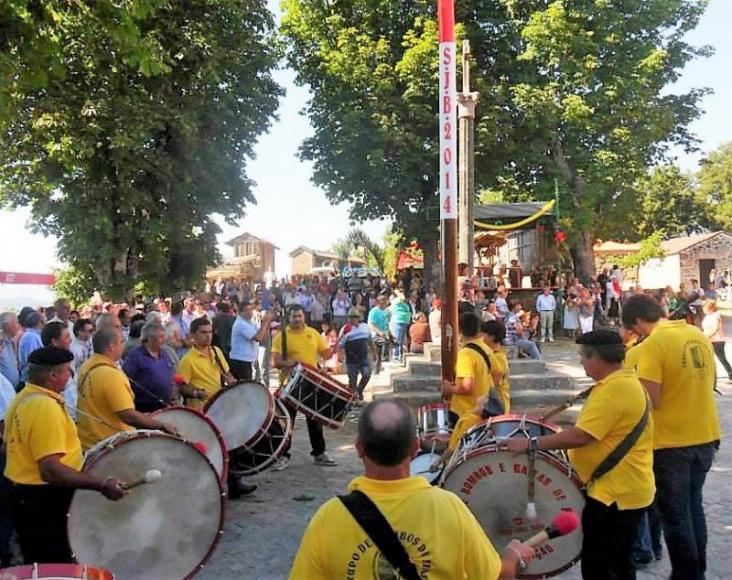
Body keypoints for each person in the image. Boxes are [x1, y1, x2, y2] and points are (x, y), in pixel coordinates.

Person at [289, 400, 534, 579]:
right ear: (416, 447)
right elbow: (495, 576)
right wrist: (513, 558)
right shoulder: (449, 509)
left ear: (358, 448)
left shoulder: (328, 518)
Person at [507, 330, 655, 580]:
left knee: (601, 567)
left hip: (614, 495)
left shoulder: (616, 389)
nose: (580, 363)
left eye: (582, 357)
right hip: (623, 489)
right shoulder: (621, 382)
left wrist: (531, 443)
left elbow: (581, 436)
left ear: (596, 358)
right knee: (618, 563)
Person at [622, 294, 720, 580]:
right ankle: (696, 569)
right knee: (694, 507)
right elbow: (711, 382)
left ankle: (687, 575)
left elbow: (651, 399)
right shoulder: (695, 333)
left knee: (675, 516)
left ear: (638, 321)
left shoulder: (654, 344)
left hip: (671, 442)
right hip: (705, 434)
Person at [4, 347, 127, 564]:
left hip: (24, 496)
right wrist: (102, 483)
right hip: (44, 500)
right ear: (52, 375)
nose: (70, 376)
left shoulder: (23, 396)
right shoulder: (45, 407)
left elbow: (8, 447)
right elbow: (51, 470)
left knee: (39, 563)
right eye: (66, 371)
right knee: (54, 564)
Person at [177, 317, 257, 497]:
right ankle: (206, 488)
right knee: (208, 451)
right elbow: (182, 386)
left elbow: (226, 373)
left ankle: (234, 483)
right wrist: (197, 394)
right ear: (193, 336)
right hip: (201, 411)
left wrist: (234, 385)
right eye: (203, 333)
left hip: (219, 407)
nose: (208, 336)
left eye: (210, 332)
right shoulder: (188, 360)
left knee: (228, 445)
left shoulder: (216, 351)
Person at [76, 328, 176, 451]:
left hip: (90, 442)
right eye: (121, 341)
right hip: (110, 445)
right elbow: (128, 416)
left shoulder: (86, 366)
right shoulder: (111, 375)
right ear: (111, 347)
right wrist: (161, 425)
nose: (124, 345)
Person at [272, 305, 337, 468]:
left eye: (300, 316)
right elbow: (276, 362)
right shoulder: (282, 336)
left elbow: (326, 354)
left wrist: (337, 344)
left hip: (311, 383)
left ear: (304, 317)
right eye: (294, 316)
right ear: (289, 318)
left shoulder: (313, 334)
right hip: (290, 384)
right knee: (287, 422)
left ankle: (319, 453)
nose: (297, 319)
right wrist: (294, 363)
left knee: (315, 420)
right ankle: (282, 455)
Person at [441, 312, 497, 426]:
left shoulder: (466, 354)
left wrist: (449, 389)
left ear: (459, 329)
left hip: (465, 412)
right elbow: (497, 373)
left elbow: (467, 387)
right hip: (482, 408)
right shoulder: (487, 349)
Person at [123, 322, 176, 412]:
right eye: (160, 337)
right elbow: (126, 380)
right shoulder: (136, 356)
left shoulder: (164, 353)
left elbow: (171, 375)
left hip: (165, 406)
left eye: (164, 336)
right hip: (144, 408)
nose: (164, 340)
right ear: (149, 338)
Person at [337, 309, 376, 402]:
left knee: (367, 374)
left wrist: (374, 352)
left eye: (354, 317)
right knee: (352, 380)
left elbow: (370, 340)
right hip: (351, 358)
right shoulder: (345, 329)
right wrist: (340, 355)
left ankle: (360, 390)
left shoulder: (365, 327)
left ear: (358, 318)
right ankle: (352, 400)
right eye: (350, 317)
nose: (351, 319)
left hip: (363, 356)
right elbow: (340, 344)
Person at [229, 301, 272, 382]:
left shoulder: (249, 322)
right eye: (247, 310)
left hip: (247, 361)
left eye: (251, 310)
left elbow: (262, 336)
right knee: (244, 388)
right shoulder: (241, 324)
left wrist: (267, 322)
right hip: (240, 362)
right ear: (240, 312)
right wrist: (265, 322)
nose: (250, 313)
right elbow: (258, 338)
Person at [482, 320, 510, 413]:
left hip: (497, 405)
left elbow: (494, 382)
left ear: (492, 337)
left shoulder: (498, 357)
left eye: (483, 334)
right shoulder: (491, 354)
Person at [701, 299, 732, 381]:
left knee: (722, 359)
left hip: (717, 341)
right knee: (707, 359)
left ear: (710, 308)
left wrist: (706, 337)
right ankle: (709, 376)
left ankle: (731, 374)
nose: (703, 309)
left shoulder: (716, 316)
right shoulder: (708, 316)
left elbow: (716, 329)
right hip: (708, 340)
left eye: (704, 307)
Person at [18, 310, 44, 385]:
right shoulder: (31, 337)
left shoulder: (33, 335)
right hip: (29, 380)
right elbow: (32, 359)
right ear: (39, 322)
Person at [389, 291, 411, 363]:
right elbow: (402, 297)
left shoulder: (403, 304)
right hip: (396, 322)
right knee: (397, 340)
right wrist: (396, 291)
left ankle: (400, 356)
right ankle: (395, 357)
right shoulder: (395, 301)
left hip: (403, 322)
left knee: (401, 341)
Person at [0, 312, 20, 389]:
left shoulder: (10, 342)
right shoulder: (1, 342)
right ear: (7, 325)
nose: (18, 326)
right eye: (16, 323)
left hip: (11, 390)